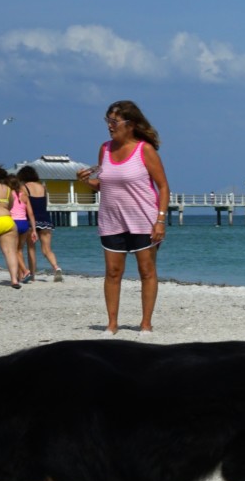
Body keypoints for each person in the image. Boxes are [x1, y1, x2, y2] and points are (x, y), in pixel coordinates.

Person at [77, 100, 170, 335]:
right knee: (112, 272)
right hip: (111, 220)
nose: (109, 126)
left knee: (146, 271)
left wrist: (160, 220)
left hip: (144, 219)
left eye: (114, 121)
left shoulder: (144, 150)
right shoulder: (104, 149)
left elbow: (163, 186)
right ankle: (111, 325)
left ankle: (146, 324)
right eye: (107, 121)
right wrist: (86, 182)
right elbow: (106, 183)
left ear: (130, 124)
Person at [17, 165, 63, 282]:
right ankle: (56, 267)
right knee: (47, 249)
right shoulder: (43, 187)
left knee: (31, 249)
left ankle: (32, 275)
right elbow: (45, 204)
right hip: (45, 220)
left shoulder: (23, 188)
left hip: (30, 221)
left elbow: (24, 205)